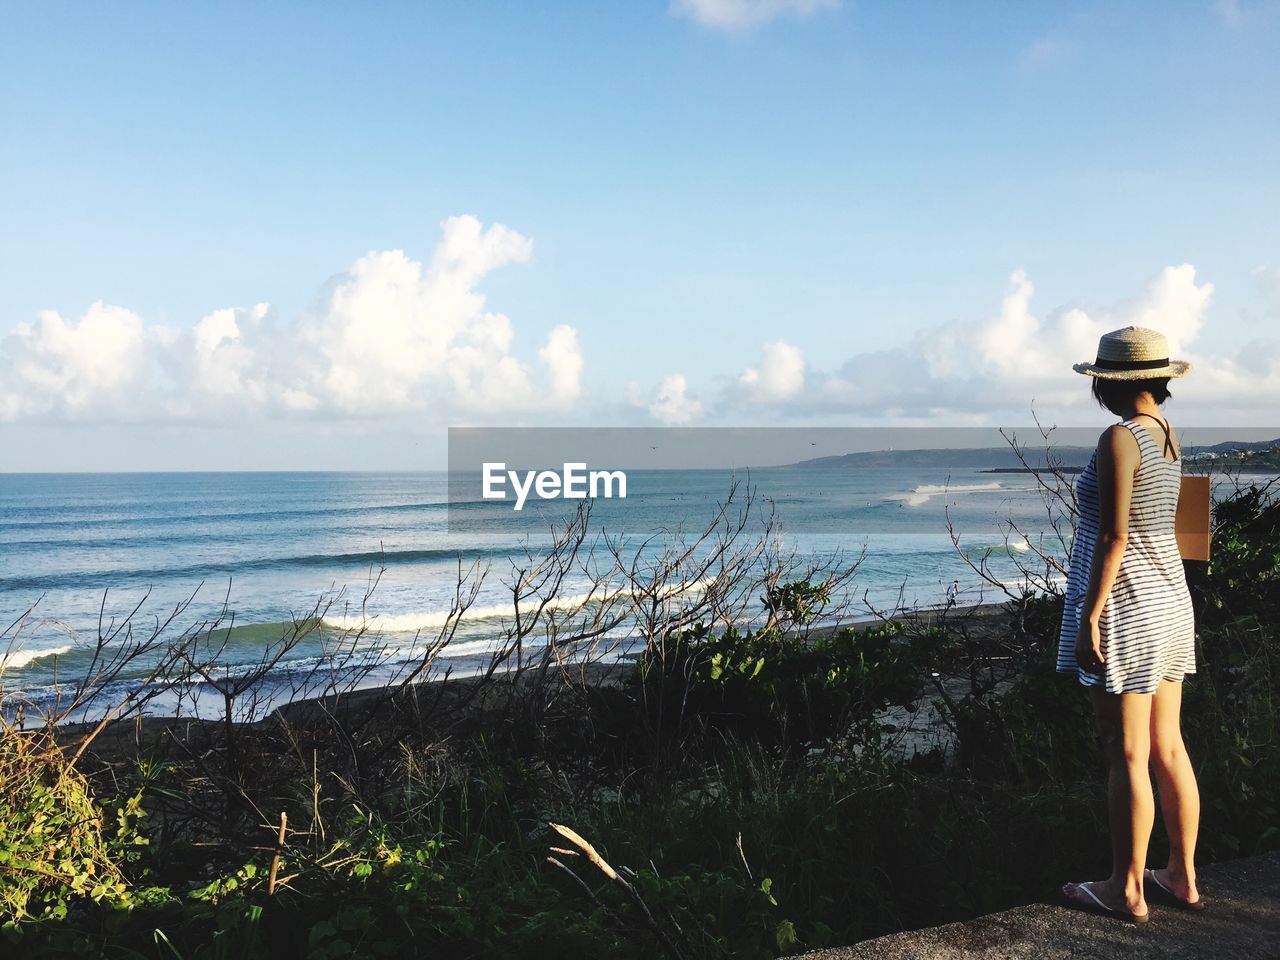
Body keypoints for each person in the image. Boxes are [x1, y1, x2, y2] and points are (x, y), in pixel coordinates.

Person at [1056, 326, 1203, 923]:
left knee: (1125, 753)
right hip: (1170, 599)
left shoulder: (1119, 438)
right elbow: (1183, 525)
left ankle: (1126, 888)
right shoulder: (1167, 435)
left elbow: (1115, 535)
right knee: (1168, 745)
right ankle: (1183, 878)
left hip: (1129, 603)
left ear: (1109, 384)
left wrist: (1091, 615)